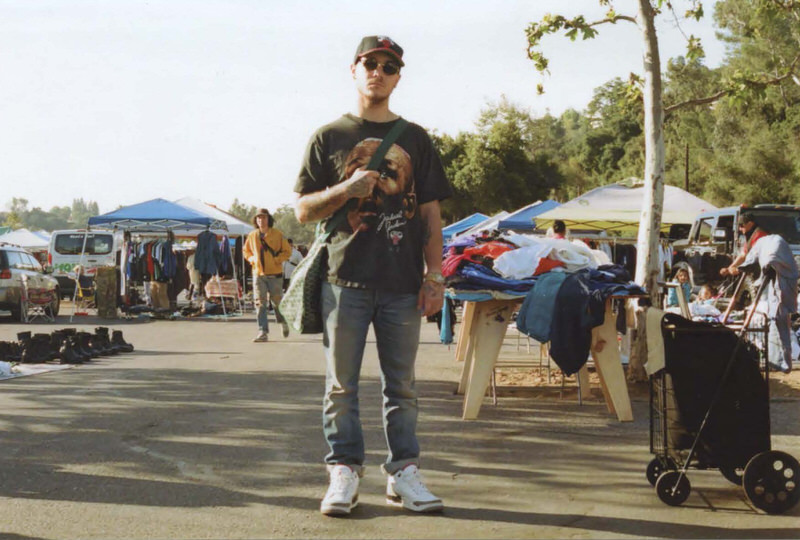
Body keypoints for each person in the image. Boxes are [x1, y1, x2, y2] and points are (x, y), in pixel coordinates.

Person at [294, 35, 451, 516]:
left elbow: (429, 212)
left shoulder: (416, 138)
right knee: (341, 386)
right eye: (370, 64)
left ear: (398, 75)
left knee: (401, 387)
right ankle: (343, 470)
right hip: (344, 282)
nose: (378, 72)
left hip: (403, 285)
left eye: (388, 65)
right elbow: (302, 209)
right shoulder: (328, 137)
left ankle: (403, 472)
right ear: (355, 69)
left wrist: (435, 276)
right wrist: (347, 187)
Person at [243, 208, 291, 342]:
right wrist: (252, 259)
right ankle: (262, 331)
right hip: (258, 274)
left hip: (275, 274)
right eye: (258, 218)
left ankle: (282, 322)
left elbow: (287, 251)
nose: (261, 220)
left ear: (268, 219)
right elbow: (245, 251)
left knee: (277, 303)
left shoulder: (277, 234)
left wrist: (276, 260)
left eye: (263, 217)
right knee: (260, 303)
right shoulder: (252, 235)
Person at [720, 212, 768, 277]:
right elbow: (743, 254)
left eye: (741, 225)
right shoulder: (751, 235)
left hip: (763, 273)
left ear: (750, 224)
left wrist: (738, 269)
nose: (740, 228)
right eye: (739, 226)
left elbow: (755, 258)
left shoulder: (759, 235)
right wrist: (730, 267)